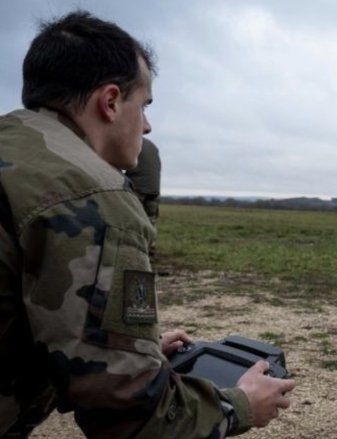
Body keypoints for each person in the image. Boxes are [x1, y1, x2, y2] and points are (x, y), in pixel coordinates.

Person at [0, 10, 294, 438]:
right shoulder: (92, 194)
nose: (148, 124)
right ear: (112, 101)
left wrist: (109, 351)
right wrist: (241, 406)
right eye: (146, 104)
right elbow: (132, 417)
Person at [126, 137, 162, 259]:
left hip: (138, 188)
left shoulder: (132, 141)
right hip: (153, 189)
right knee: (150, 219)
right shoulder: (152, 146)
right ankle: (150, 250)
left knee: (133, 218)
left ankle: (133, 249)